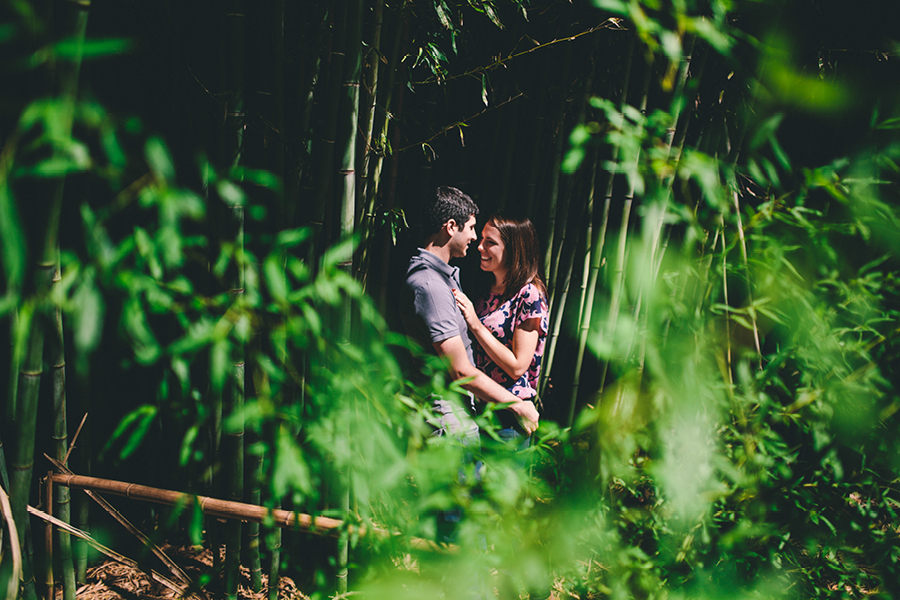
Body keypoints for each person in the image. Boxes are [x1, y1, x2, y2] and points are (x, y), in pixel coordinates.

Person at [401, 187, 540, 440]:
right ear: (451, 227)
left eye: (490, 241)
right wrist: (516, 404)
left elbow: (518, 364)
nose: (475, 240)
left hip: (474, 414)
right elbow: (461, 370)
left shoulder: (447, 279)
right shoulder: (432, 286)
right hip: (452, 419)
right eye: (472, 228)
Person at [453, 214, 549, 444]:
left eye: (490, 242)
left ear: (514, 249)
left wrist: (475, 325)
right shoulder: (488, 289)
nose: (480, 246)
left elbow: (517, 366)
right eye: (482, 239)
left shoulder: (529, 294)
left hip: (508, 417)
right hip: (480, 405)